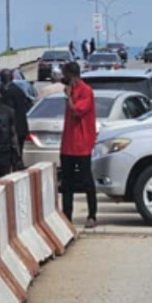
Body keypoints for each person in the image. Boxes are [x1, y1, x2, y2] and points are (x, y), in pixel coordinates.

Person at [60, 62, 99, 229]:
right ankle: (67, 215)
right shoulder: (71, 90)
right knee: (66, 183)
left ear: (72, 74)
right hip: (67, 144)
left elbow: (76, 111)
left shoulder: (86, 91)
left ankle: (92, 215)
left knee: (86, 181)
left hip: (82, 144)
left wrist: (69, 97)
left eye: (66, 74)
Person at [0, 69, 33, 154]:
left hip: (14, 128)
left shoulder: (7, 92)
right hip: (21, 126)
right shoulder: (18, 90)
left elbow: (8, 110)